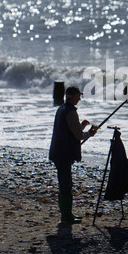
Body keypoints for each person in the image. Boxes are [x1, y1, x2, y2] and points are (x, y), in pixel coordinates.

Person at [49, 86, 97, 224]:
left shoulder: (62, 109)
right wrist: (90, 133)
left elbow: (70, 131)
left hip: (58, 151)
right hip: (63, 153)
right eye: (78, 95)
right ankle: (66, 216)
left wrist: (81, 126)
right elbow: (78, 135)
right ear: (73, 96)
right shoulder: (70, 112)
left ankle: (67, 215)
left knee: (64, 183)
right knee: (66, 184)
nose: (80, 98)